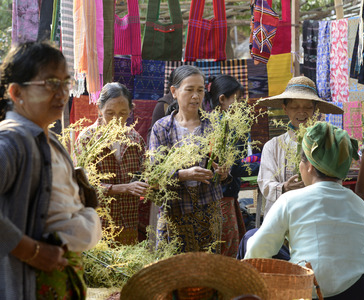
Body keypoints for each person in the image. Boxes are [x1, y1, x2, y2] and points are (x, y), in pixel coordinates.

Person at [0, 42, 102, 299]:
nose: (62, 93)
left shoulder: (48, 139)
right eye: (50, 83)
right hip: (27, 284)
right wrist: (32, 251)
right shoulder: (12, 141)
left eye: (65, 83)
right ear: (16, 93)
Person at [245, 122, 364, 299]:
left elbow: (256, 252)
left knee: (250, 237)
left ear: (309, 166)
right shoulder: (360, 205)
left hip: (311, 291)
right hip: (358, 292)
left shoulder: (290, 200)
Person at [148, 65, 229, 253]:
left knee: (206, 269)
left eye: (200, 90)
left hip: (208, 209)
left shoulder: (214, 126)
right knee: (174, 271)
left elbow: (223, 165)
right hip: (174, 211)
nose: (196, 96)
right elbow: (154, 174)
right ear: (174, 92)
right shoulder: (162, 128)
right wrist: (184, 174)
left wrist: (223, 172)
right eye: (190, 89)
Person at [256, 76, 343, 216]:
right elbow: (265, 183)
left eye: (308, 107)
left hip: (317, 214)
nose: (301, 112)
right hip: (282, 216)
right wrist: (284, 188)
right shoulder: (272, 146)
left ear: (315, 109)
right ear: (285, 109)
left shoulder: (326, 144)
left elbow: (336, 183)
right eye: (295, 107)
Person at [75, 82, 148, 245]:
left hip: (128, 223)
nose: (116, 120)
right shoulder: (87, 140)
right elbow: (84, 186)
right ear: (99, 110)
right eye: (110, 113)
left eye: (123, 113)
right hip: (99, 225)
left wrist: (150, 181)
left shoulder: (135, 139)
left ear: (131, 110)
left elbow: (145, 174)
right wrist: (124, 188)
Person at [207, 74, 259, 257]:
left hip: (219, 198)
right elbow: (236, 167)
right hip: (223, 200)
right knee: (227, 253)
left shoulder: (206, 123)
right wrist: (264, 165)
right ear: (222, 99)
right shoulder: (230, 127)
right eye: (238, 101)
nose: (242, 106)